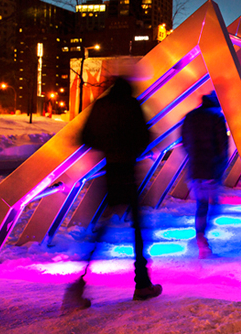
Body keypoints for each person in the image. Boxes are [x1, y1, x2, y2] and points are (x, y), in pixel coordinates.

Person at [63, 77, 161, 312]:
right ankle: (142, 284)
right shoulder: (131, 105)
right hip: (127, 169)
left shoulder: (101, 105)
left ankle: (78, 285)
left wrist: (108, 145)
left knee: (101, 229)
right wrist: (129, 148)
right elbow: (145, 137)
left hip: (109, 171)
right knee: (138, 228)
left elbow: (85, 136)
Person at [181, 91, 229, 259]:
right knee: (214, 203)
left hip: (195, 169)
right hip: (211, 169)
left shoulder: (190, 116)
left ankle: (200, 236)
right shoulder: (217, 117)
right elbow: (223, 148)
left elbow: (184, 142)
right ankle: (202, 238)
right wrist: (221, 167)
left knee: (201, 204)